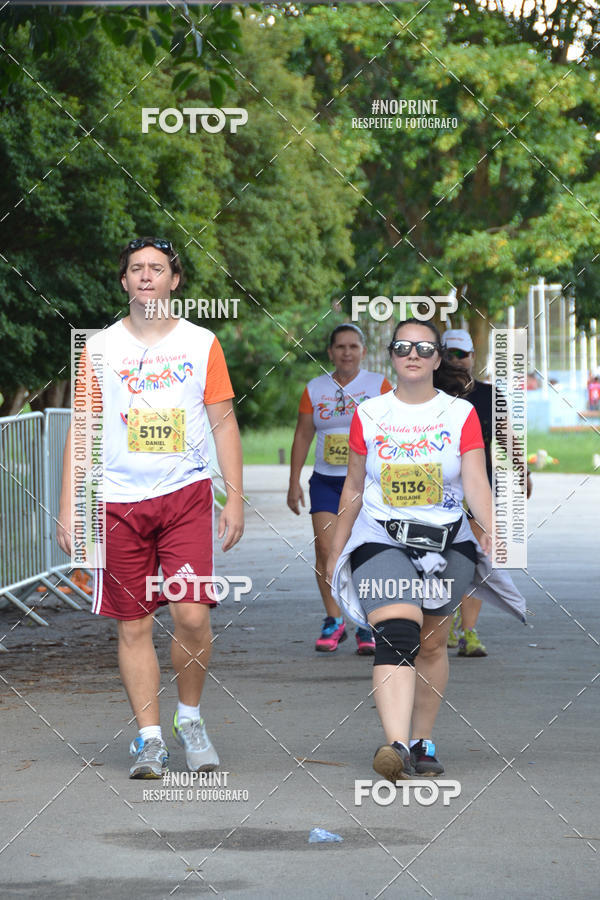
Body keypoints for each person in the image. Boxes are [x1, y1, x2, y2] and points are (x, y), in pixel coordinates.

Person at [57, 237, 244, 778]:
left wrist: (232, 495)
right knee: (133, 623)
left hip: (184, 495)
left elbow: (223, 421)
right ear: (124, 282)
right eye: (135, 269)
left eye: (156, 268)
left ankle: (190, 719)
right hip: (117, 501)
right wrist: (69, 504)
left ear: (173, 280)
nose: (145, 276)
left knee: (190, 613)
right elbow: (84, 426)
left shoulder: (200, 342)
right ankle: (149, 739)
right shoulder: (98, 349)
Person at [327, 318, 494, 781]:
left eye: (424, 348)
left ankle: (422, 741)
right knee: (397, 633)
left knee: (433, 641)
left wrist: (490, 529)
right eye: (404, 347)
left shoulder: (461, 415)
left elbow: (476, 481)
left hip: (447, 541)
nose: (413, 354)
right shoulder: (371, 413)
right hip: (382, 537)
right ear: (392, 357)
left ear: (438, 359)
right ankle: (395, 747)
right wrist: (333, 551)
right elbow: (354, 487)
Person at [287, 323, 392, 654]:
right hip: (327, 481)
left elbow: (392, 430)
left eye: (354, 346)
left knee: (363, 552)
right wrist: (293, 482)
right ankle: (334, 620)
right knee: (326, 549)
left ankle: (366, 623)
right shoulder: (315, 388)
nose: (347, 352)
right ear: (331, 352)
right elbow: (303, 434)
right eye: (341, 347)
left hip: (367, 482)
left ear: (362, 351)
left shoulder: (379, 385)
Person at [442, 329, 531, 657]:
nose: (456, 361)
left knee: (477, 557)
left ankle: (469, 632)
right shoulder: (429, 394)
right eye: (450, 354)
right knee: (441, 558)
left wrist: (523, 471)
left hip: (478, 488)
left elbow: (506, 436)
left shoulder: (489, 395)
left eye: (462, 354)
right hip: (436, 492)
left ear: (473, 357)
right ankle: (445, 617)